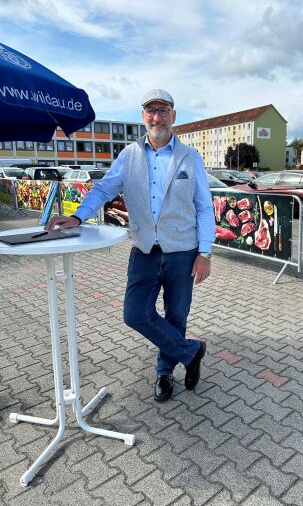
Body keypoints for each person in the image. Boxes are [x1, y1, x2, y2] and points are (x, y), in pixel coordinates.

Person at [46, 89, 215, 402]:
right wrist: (78, 217)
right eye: (150, 111)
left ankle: (164, 372)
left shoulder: (190, 158)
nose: (157, 117)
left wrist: (204, 252)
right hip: (144, 250)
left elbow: (205, 207)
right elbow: (103, 189)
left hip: (182, 251)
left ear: (173, 116)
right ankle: (191, 351)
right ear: (143, 117)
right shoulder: (129, 155)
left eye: (163, 110)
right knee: (135, 313)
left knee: (176, 316)